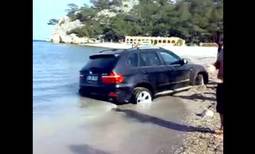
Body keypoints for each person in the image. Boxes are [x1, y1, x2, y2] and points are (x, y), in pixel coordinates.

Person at [214, 42, 224, 135]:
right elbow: (217, 65)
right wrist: (213, 66)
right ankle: (222, 127)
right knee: (221, 106)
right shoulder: (221, 52)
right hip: (221, 82)